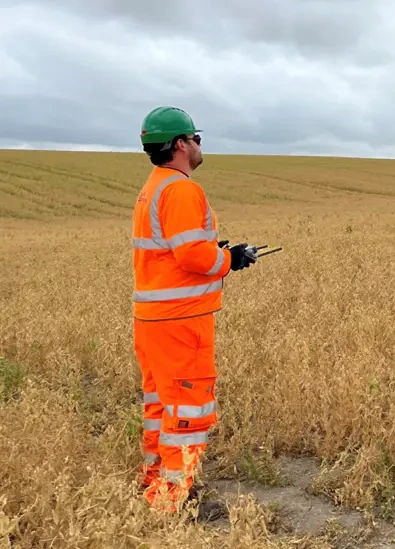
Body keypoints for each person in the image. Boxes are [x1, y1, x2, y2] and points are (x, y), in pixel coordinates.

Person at [131, 106, 256, 519]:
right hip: (181, 320)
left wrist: (217, 253)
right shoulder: (182, 190)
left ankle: (155, 482)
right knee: (188, 409)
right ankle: (173, 502)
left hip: (154, 319)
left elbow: (175, 250)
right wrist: (230, 259)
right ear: (181, 145)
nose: (201, 145)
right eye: (196, 138)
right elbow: (191, 255)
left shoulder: (153, 187)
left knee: (161, 406)